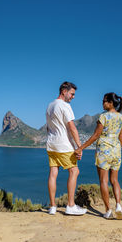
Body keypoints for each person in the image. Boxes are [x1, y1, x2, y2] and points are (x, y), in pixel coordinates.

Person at [75, 92, 122, 219]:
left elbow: (95, 136)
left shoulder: (103, 117)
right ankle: (119, 206)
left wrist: (81, 147)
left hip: (104, 151)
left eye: (104, 101)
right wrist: (116, 148)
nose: (102, 103)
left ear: (111, 103)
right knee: (114, 180)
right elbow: (121, 137)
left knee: (103, 181)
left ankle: (108, 210)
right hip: (116, 151)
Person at [46, 81, 87, 216]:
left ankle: (52, 207)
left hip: (51, 144)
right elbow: (72, 127)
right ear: (64, 91)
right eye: (72, 94)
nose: (73, 97)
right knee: (74, 171)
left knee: (53, 173)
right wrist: (79, 147)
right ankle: (70, 205)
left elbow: (48, 127)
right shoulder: (65, 106)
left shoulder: (50, 106)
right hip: (63, 145)